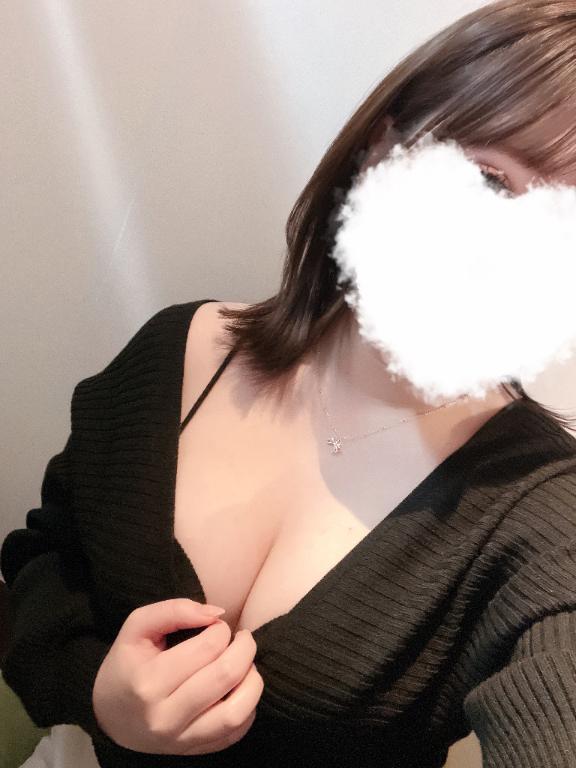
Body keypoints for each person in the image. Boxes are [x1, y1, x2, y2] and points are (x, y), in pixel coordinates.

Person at [4, 0, 576, 766]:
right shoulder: (180, 352)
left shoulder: (543, 514)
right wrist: (98, 694)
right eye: (490, 181)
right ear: (383, 149)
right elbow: (46, 556)